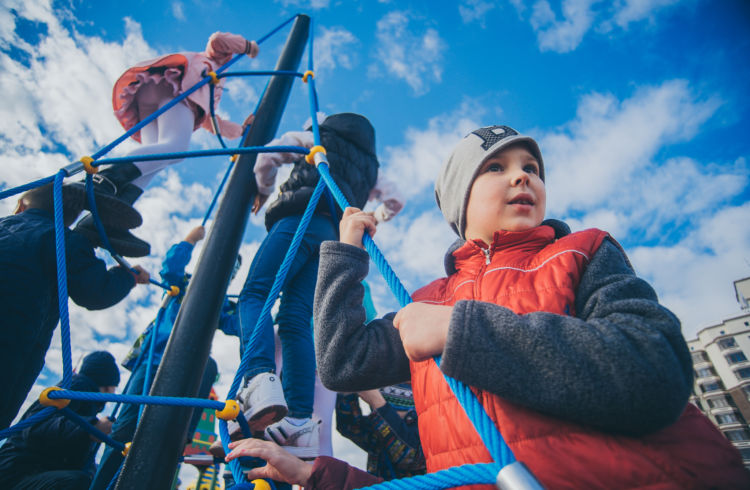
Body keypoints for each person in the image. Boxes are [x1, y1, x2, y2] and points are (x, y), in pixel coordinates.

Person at [312, 125, 750, 488]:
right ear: (459, 202)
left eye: (532, 168)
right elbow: (342, 362)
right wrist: (345, 256)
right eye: (497, 167)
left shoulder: (580, 253)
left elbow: (656, 370)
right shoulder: (429, 301)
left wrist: (462, 331)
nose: (523, 177)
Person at [229, 113, 403, 459]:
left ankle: (259, 377)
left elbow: (268, 157)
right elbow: (396, 200)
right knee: (295, 319)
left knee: (255, 295)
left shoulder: (317, 138)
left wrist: (263, 191)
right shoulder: (370, 166)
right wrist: (375, 216)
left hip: (299, 215)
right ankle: (299, 421)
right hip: (331, 235)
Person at [71, 32, 259, 258]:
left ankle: (104, 218)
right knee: (175, 149)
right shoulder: (214, 61)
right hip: (174, 89)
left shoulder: (211, 85)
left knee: (154, 161)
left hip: (154, 94)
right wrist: (246, 46)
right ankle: (106, 180)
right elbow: (217, 40)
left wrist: (240, 130)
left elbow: (210, 120)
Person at [89, 225, 239, 490]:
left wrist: (254, 298)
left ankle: (180, 441)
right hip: (154, 361)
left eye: (231, 271)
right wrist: (190, 241)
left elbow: (238, 324)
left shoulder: (223, 304)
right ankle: (103, 485)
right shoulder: (183, 286)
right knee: (126, 429)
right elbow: (170, 268)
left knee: (173, 431)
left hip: (189, 367)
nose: (224, 274)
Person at [0, 184, 148, 431]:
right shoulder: (64, 241)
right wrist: (128, 276)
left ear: (21, 205)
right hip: (11, 342)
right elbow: (96, 291)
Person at [0, 351, 121, 490]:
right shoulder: (78, 386)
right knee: (80, 482)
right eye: (114, 387)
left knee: (93, 479)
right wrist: (92, 427)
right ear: (107, 386)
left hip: (29, 473)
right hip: (15, 475)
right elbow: (36, 427)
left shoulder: (85, 399)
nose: (114, 392)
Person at [336, 384, 425, 481]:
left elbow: (409, 458)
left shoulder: (431, 423)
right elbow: (349, 427)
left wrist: (378, 403)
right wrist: (347, 390)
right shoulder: (379, 424)